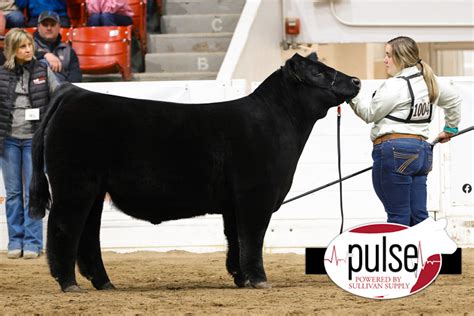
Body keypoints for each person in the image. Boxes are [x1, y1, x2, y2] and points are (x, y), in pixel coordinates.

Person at [349, 36, 461, 227]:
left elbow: (369, 114)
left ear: (400, 58)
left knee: (398, 217)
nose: (385, 60)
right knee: (418, 216)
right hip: (421, 154)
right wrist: (450, 129)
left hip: (394, 153)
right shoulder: (430, 82)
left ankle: (399, 257)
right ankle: (428, 255)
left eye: (388, 55)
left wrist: (351, 95)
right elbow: (454, 100)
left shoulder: (395, 85)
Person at [0, 28, 60, 259]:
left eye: (29, 45)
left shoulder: (43, 69)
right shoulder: (2, 75)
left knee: (33, 193)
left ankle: (34, 243)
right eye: (22, 46)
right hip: (8, 141)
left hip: (35, 141)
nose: (28, 50)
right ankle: (15, 241)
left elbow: (58, 97)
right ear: (12, 50)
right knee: (14, 193)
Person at [34, 10, 82, 82]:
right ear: (38, 27)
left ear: (59, 27)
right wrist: (44, 55)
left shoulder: (68, 51)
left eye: (52, 24)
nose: (49, 28)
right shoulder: (28, 46)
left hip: (62, 90)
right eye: (45, 24)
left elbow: (76, 78)